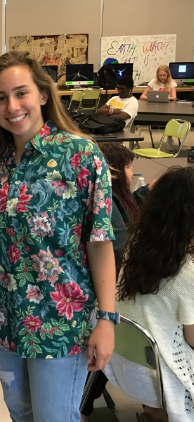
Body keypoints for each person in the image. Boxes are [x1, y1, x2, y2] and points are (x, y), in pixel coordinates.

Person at [0, 50, 117, 422]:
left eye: (21, 93)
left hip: (59, 322)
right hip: (1, 319)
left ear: (42, 94)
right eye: (0, 97)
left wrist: (107, 318)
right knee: (21, 414)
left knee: (55, 417)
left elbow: (100, 242)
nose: (12, 106)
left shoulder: (81, 155)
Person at [80, 142, 155, 421]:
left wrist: (146, 193)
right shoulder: (108, 204)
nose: (132, 170)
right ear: (113, 171)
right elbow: (123, 247)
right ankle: (83, 407)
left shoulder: (117, 198)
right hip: (112, 295)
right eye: (128, 165)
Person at [112, 167, 194, 422]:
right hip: (160, 379)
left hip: (123, 367)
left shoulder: (134, 248)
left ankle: (153, 413)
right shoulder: (186, 274)